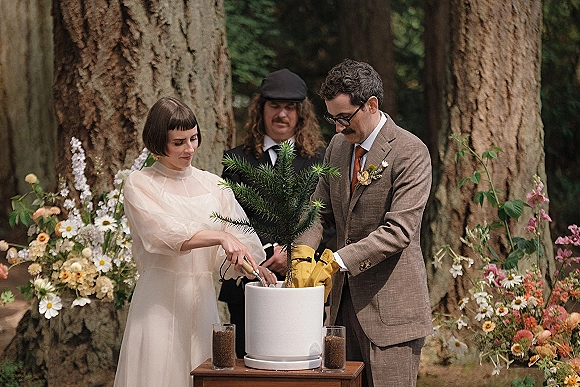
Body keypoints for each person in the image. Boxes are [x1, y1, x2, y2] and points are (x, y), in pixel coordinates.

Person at [113, 96, 277, 387]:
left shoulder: (213, 185)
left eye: (194, 138)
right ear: (157, 142)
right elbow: (161, 234)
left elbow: (238, 238)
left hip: (201, 302)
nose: (189, 149)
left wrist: (252, 266)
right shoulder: (139, 184)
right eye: (179, 142)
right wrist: (220, 236)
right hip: (157, 304)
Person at [297, 59, 432, 387]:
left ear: (371, 104)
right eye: (333, 118)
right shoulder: (337, 149)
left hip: (392, 312)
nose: (338, 128)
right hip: (341, 311)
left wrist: (336, 261)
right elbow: (318, 209)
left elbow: (398, 231)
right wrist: (302, 251)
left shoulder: (411, 152)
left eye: (344, 118)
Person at [218, 68, 332, 358]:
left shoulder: (321, 160)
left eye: (290, 107)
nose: (282, 114)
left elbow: (329, 217)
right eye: (275, 106)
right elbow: (230, 216)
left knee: (302, 360)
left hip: (305, 280)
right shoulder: (237, 160)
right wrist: (268, 249)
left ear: (302, 113)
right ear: (260, 110)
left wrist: (294, 252)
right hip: (251, 277)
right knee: (249, 361)